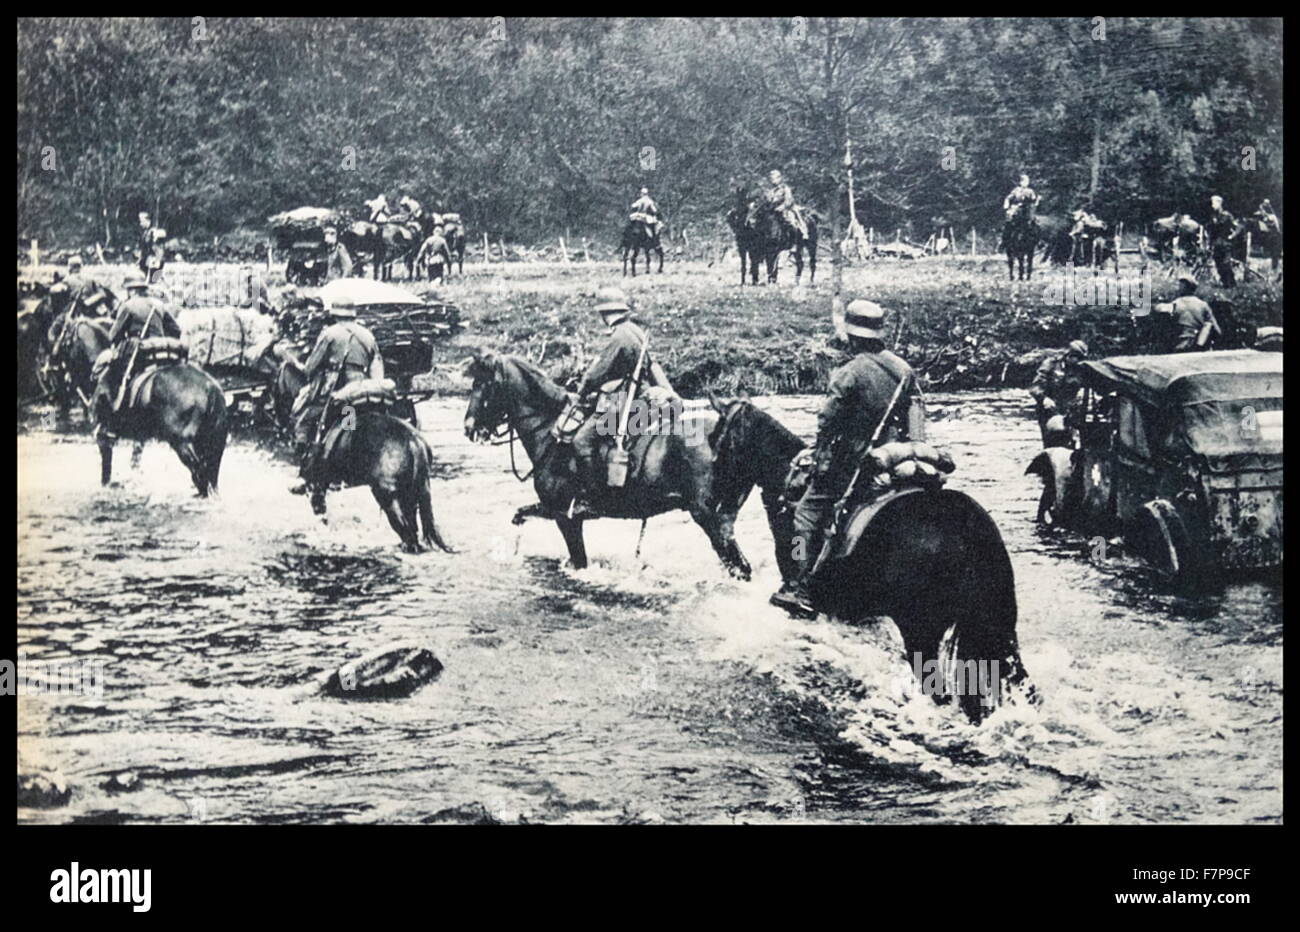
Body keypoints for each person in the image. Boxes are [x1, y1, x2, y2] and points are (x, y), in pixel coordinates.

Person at [771, 300, 926, 618]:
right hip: (895, 458)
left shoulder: (849, 372)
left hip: (853, 464)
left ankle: (797, 585)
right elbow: (917, 416)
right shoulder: (903, 369)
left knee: (804, 517)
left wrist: (823, 455)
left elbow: (828, 421)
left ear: (852, 337)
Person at [561, 287, 673, 512]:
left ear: (604, 313)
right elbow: (651, 366)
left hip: (623, 400)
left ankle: (592, 499)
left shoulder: (619, 337)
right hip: (639, 396)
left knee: (580, 440)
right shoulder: (634, 330)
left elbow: (597, 373)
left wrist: (581, 393)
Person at [288, 302, 385, 494]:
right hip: (361, 390)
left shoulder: (330, 333)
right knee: (351, 420)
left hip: (337, 390)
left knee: (305, 419)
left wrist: (297, 364)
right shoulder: (367, 335)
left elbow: (310, 367)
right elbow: (377, 367)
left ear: (335, 315)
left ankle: (306, 475)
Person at [92, 271, 182, 426]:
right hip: (161, 351)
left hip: (138, 352)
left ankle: (111, 418)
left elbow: (113, 336)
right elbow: (176, 330)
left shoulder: (128, 306)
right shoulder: (159, 305)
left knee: (109, 373)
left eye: (128, 290)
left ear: (132, 290)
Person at [1027, 340, 1088, 445]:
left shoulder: (1081, 368)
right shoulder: (1051, 364)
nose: (1077, 361)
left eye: (1080, 359)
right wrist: (1044, 399)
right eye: (1076, 358)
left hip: (1069, 410)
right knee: (1052, 441)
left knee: (1070, 443)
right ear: (1069, 355)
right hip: (1049, 409)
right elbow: (1035, 387)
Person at [1158, 273, 1220, 352]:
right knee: (1208, 324)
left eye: (1180, 285)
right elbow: (1217, 331)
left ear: (1183, 287)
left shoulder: (1174, 304)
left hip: (1179, 345)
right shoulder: (1203, 305)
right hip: (1199, 345)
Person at [1205, 195, 1238, 288]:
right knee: (1218, 265)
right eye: (1212, 203)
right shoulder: (1213, 216)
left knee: (1226, 264)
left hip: (1225, 243)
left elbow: (1235, 228)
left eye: (1214, 203)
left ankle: (1231, 284)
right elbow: (1211, 231)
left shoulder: (1227, 215)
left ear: (1219, 203)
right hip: (1216, 244)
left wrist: (1232, 236)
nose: (1212, 205)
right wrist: (1209, 244)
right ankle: (1225, 284)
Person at [764, 170, 808, 239]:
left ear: (779, 178)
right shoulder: (771, 191)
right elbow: (768, 201)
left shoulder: (785, 188)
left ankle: (795, 242)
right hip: (773, 211)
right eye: (771, 179)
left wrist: (782, 207)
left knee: (791, 222)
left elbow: (789, 200)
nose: (772, 180)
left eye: (774, 178)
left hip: (786, 210)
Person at [138, 212, 167, 283]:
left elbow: (162, 234)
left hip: (156, 260)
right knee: (148, 280)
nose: (140, 223)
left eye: (142, 221)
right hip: (147, 260)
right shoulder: (145, 233)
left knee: (154, 281)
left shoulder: (153, 231)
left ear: (148, 221)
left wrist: (156, 260)